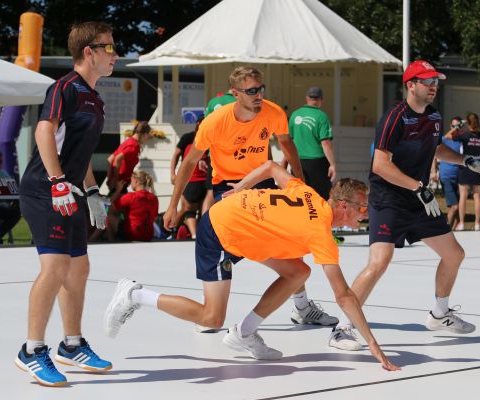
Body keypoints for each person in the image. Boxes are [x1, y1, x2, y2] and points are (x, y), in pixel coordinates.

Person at [103, 161, 400, 371]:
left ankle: (244, 332)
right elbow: (344, 296)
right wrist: (372, 343)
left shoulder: (308, 194)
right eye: (362, 208)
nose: (365, 215)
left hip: (240, 224)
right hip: (221, 231)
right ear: (343, 206)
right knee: (211, 317)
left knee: (299, 272)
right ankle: (134, 295)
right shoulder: (320, 233)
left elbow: (271, 167)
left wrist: (243, 186)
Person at [328, 60, 480, 351]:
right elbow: (380, 164)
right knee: (379, 261)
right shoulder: (394, 118)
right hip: (389, 199)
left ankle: (440, 314)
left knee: (454, 254)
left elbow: (435, 147)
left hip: (418, 199)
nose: (433, 86)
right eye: (427, 81)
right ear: (410, 85)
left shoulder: (434, 117)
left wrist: (465, 160)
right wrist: (418, 187)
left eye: (435, 82)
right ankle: (342, 328)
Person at [163, 66, 337, 328]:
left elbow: (286, 144)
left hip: (262, 181)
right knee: (229, 247)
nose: (259, 95)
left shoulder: (273, 112)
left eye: (261, 88)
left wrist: (298, 182)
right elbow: (188, 163)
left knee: (291, 238)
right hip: (228, 187)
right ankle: (209, 307)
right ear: (236, 93)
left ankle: (301, 306)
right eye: (252, 91)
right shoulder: (215, 122)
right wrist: (172, 205)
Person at [15, 21, 116, 387]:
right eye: (108, 47)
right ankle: (31, 350)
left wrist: (92, 192)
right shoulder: (66, 87)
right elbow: (44, 129)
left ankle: (71, 345)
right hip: (45, 190)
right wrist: (58, 181)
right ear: (89, 51)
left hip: (70, 192)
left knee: (79, 268)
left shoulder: (95, 98)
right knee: (56, 266)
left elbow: (80, 152)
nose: (115, 55)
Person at [283, 87, 336, 200]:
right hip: (317, 164)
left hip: (297, 162)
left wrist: (285, 164)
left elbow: (288, 142)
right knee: (320, 198)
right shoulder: (322, 116)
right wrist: (333, 164)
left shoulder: (295, 115)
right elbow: (325, 143)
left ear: (307, 98)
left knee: (299, 197)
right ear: (321, 100)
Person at [445, 113, 480, 231]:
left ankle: (461, 223)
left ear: (468, 123)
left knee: (463, 196)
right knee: (477, 195)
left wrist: (457, 127)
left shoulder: (464, 135)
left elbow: (447, 136)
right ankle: (477, 224)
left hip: (466, 166)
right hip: (477, 166)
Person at [170, 116, 208, 238]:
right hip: (192, 180)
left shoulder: (209, 137)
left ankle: (176, 231)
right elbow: (176, 155)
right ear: (198, 124)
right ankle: (173, 229)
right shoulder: (188, 138)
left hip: (202, 181)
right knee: (188, 209)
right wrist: (173, 173)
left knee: (190, 209)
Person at [106, 170, 159, 241]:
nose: (130, 184)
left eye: (130, 181)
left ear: (136, 181)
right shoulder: (154, 198)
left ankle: (112, 242)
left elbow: (107, 206)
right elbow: (155, 218)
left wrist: (118, 190)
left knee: (107, 217)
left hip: (132, 234)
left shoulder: (131, 196)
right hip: (148, 236)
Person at [430, 116, 463, 228]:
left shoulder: (461, 140)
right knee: (454, 206)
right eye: (453, 126)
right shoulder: (444, 140)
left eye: (458, 126)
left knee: (457, 206)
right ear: (450, 126)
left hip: (459, 177)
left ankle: (454, 229)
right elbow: (434, 156)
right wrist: (434, 172)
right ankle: (445, 230)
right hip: (446, 176)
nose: (456, 128)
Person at [106, 121, 151, 194]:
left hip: (118, 185)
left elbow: (110, 159)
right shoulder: (134, 146)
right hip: (120, 185)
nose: (147, 138)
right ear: (145, 134)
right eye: (148, 135)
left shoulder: (128, 141)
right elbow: (117, 159)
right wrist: (115, 180)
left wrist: (109, 179)